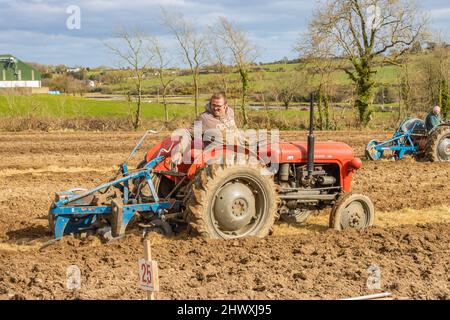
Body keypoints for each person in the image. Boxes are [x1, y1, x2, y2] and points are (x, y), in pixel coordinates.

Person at [170, 92, 242, 166]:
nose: (215, 108)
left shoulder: (230, 112)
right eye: (213, 105)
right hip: (218, 157)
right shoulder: (204, 118)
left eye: (219, 106)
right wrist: (178, 152)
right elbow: (188, 133)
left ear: (225, 105)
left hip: (237, 151)